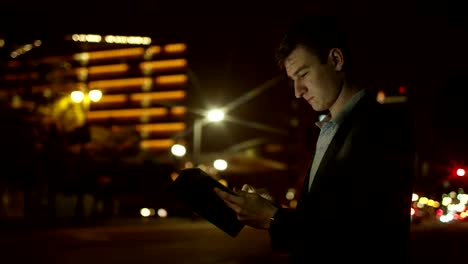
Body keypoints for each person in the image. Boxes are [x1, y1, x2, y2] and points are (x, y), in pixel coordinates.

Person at [214, 14, 415, 263]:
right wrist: (273, 210)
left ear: (336, 59)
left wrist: (273, 218)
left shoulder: (380, 127)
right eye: (293, 80)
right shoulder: (331, 129)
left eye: (303, 74)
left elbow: (364, 236)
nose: (298, 91)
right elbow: (328, 219)